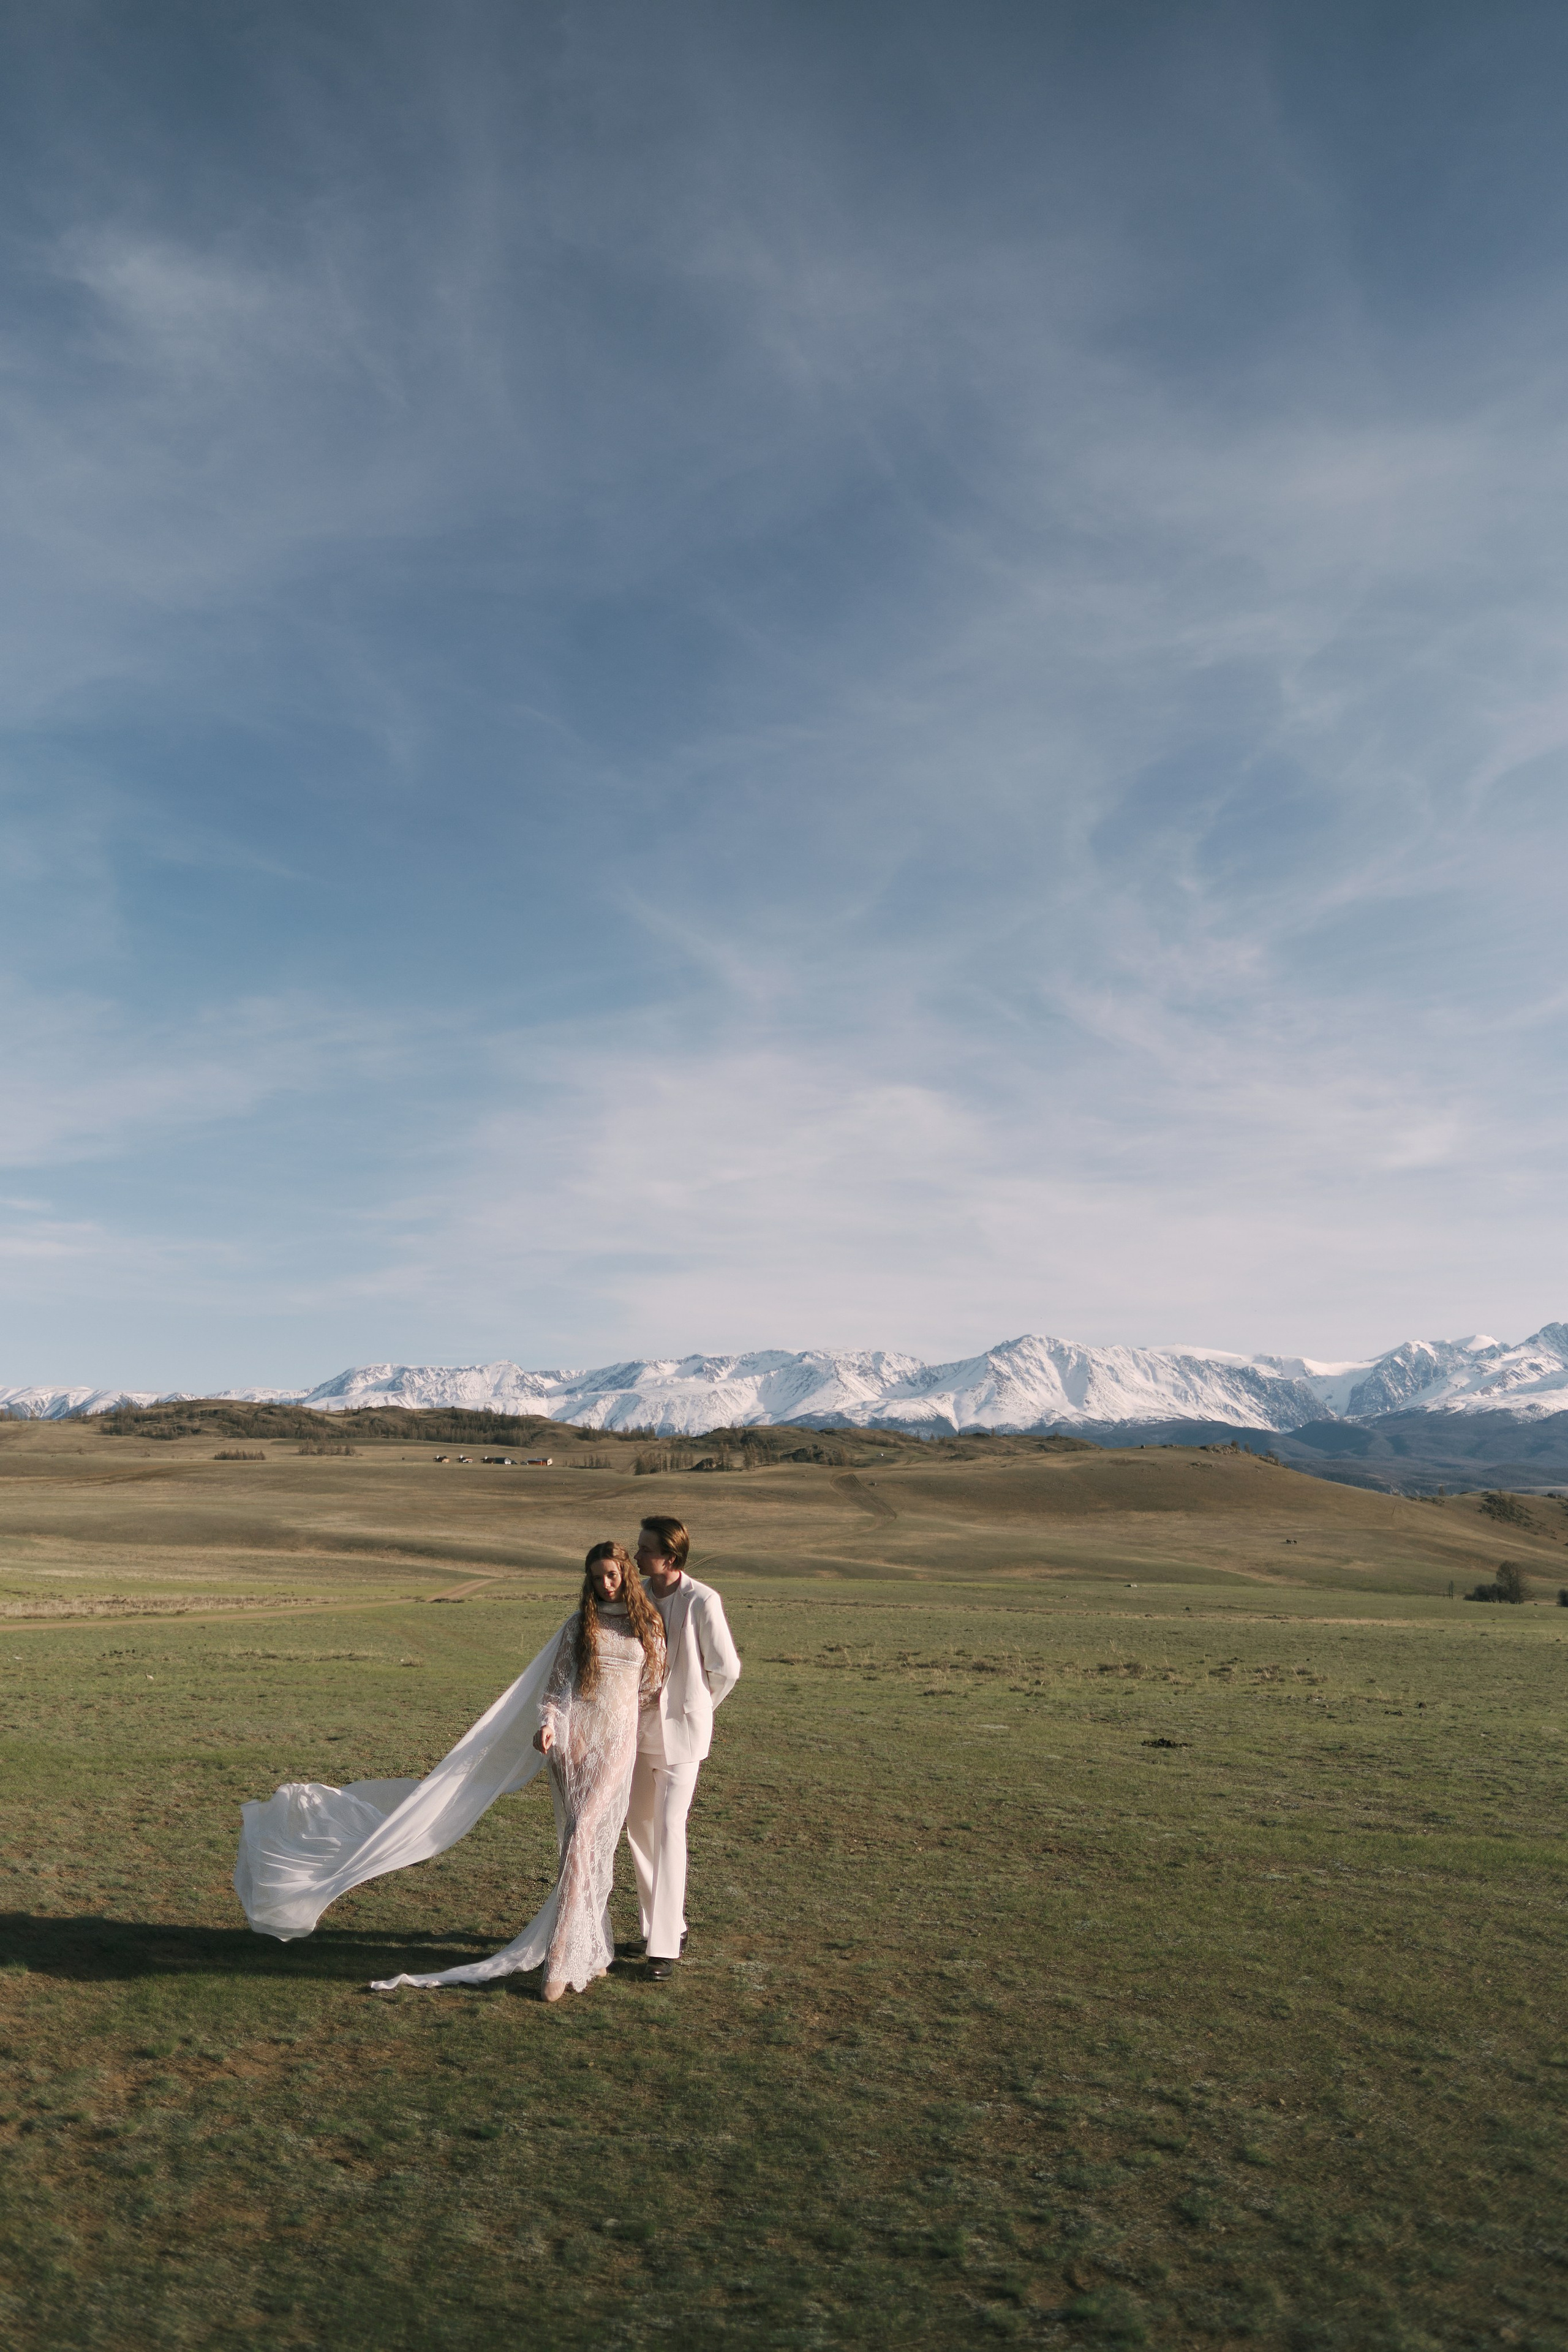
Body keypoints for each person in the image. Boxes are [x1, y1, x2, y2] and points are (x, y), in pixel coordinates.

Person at [624, 1515, 742, 1981]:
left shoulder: (703, 1600)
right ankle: (661, 1926)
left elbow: (727, 1668)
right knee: (639, 1830)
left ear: (669, 1558)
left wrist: (697, 1708)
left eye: (645, 1549)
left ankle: (664, 1950)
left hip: (685, 1738)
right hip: (637, 1735)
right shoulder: (639, 1598)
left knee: (671, 1831)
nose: (636, 1557)